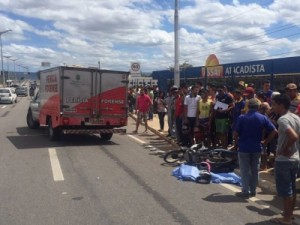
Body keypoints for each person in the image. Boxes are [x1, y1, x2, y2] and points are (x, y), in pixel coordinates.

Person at [234, 98, 277, 198]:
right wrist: (265, 142)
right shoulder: (262, 118)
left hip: (244, 147)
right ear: (258, 107)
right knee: (254, 169)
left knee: (244, 170)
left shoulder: (242, 117)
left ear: (248, 107)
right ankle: (253, 190)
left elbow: (235, 133)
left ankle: (245, 191)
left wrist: (237, 143)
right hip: (257, 147)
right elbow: (274, 131)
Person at [270, 94, 300, 225]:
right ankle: (289, 214)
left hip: (284, 160)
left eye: (274, 104)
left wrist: (284, 149)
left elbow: (293, 136)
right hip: (295, 158)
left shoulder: (283, 119)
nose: (272, 107)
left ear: (281, 105)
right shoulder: (296, 117)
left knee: (285, 190)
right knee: (292, 189)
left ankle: (286, 219)